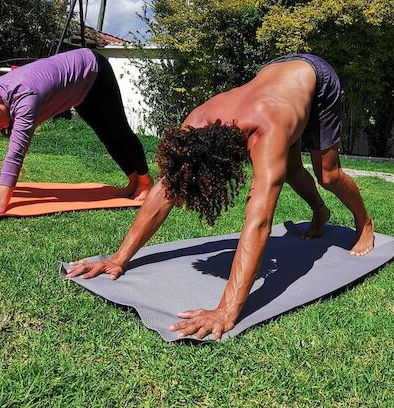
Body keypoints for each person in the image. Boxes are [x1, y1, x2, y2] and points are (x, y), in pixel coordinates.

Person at [66, 54, 374, 340]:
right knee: (293, 168)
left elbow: (259, 220)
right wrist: (118, 259)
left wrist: (226, 310)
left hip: (316, 79)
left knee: (328, 174)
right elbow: (165, 190)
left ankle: (364, 222)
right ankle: (320, 212)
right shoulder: (196, 122)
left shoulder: (267, 133)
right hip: (275, 74)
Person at [0, 48, 152, 216]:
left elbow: (16, 153)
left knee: (117, 129)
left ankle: (144, 182)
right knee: (104, 133)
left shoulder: (25, 99)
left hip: (93, 71)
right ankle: (133, 180)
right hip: (77, 89)